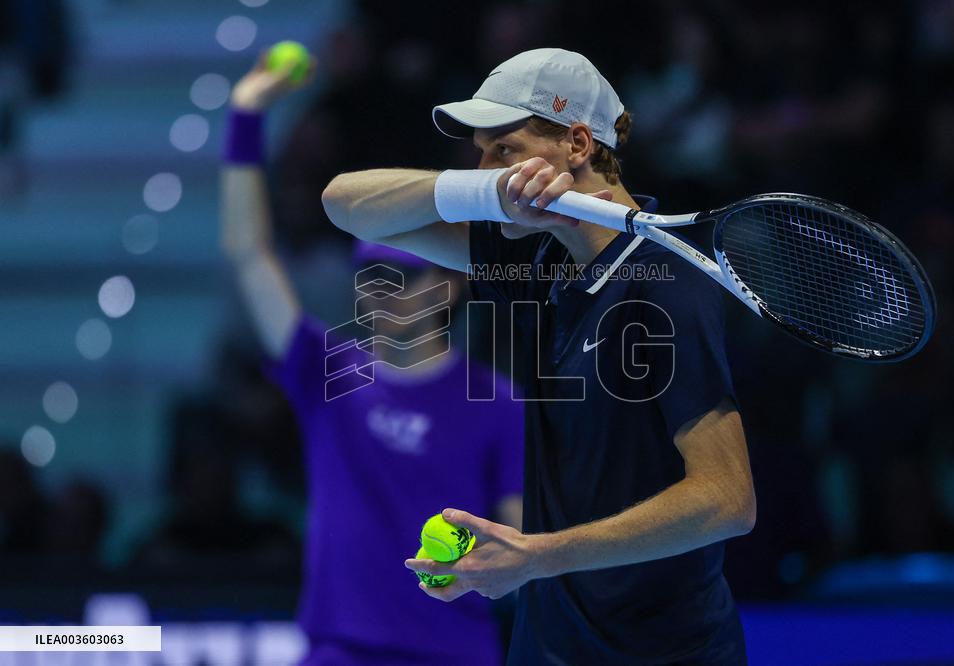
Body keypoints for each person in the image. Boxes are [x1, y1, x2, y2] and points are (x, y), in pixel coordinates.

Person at [322, 48, 756, 664]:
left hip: (662, 650)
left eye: (502, 148)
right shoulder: (532, 258)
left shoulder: (667, 282)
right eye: (479, 153)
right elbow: (345, 204)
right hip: (548, 645)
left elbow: (728, 499)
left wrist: (538, 556)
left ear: (577, 144)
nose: (485, 165)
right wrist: (490, 191)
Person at [220, 55, 523, 666]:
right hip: (339, 652)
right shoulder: (324, 369)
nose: (379, 289)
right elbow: (249, 252)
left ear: (447, 288)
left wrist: (486, 562)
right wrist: (246, 115)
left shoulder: (499, 403)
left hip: (456, 654)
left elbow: (522, 547)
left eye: (402, 277)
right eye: (369, 274)